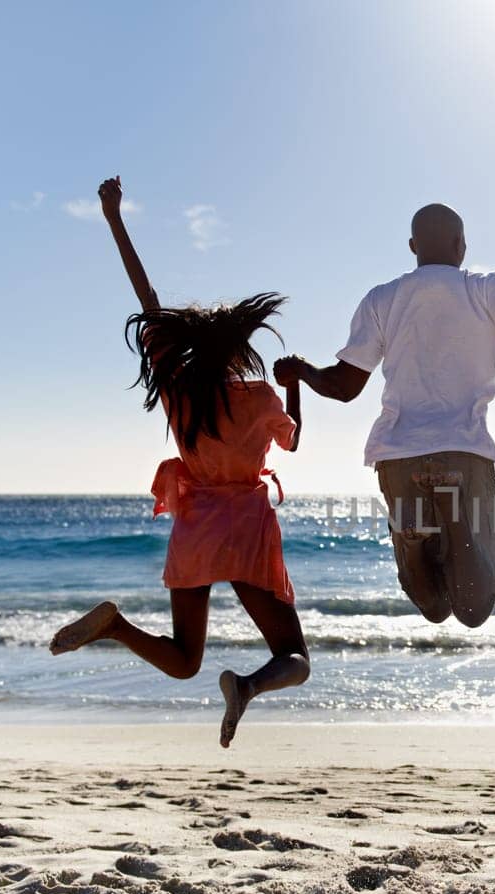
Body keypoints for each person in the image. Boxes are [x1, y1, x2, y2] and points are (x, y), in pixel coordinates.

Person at [49, 176, 310, 749]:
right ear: (238, 348)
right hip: (246, 531)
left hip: (195, 528)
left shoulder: (179, 391)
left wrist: (115, 218)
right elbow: (292, 443)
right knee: (293, 658)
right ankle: (245, 686)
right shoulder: (260, 396)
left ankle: (115, 626)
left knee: (184, 659)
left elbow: (147, 303)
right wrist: (293, 387)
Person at [275, 204, 495, 628]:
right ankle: (456, 520)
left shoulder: (382, 299)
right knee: (474, 608)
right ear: (462, 246)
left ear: (412, 247)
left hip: (398, 457)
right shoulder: (481, 290)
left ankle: (412, 540)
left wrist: (303, 371)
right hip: (463, 454)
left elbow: (345, 387)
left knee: (434, 608)